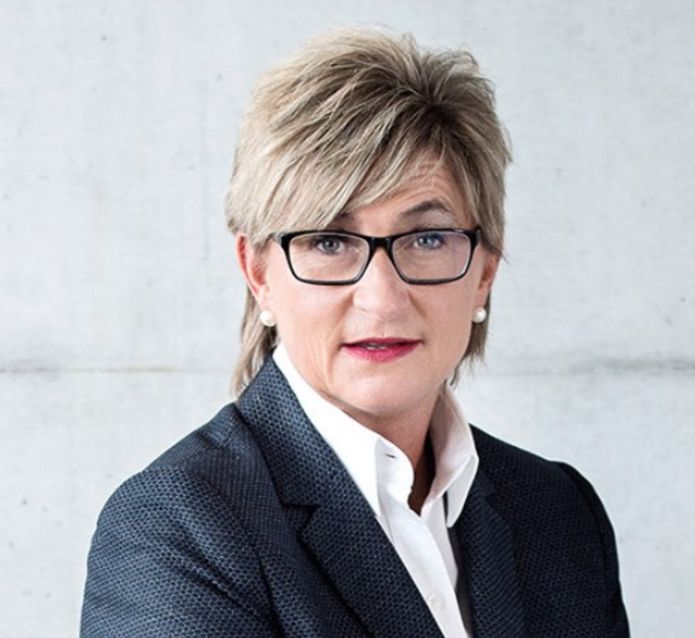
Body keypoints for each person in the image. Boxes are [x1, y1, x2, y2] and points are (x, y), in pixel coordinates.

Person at [81, 29, 629, 637]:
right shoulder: (176, 528)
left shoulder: (558, 514)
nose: (382, 298)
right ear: (259, 273)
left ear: (484, 273)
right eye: (328, 241)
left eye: (427, 239)